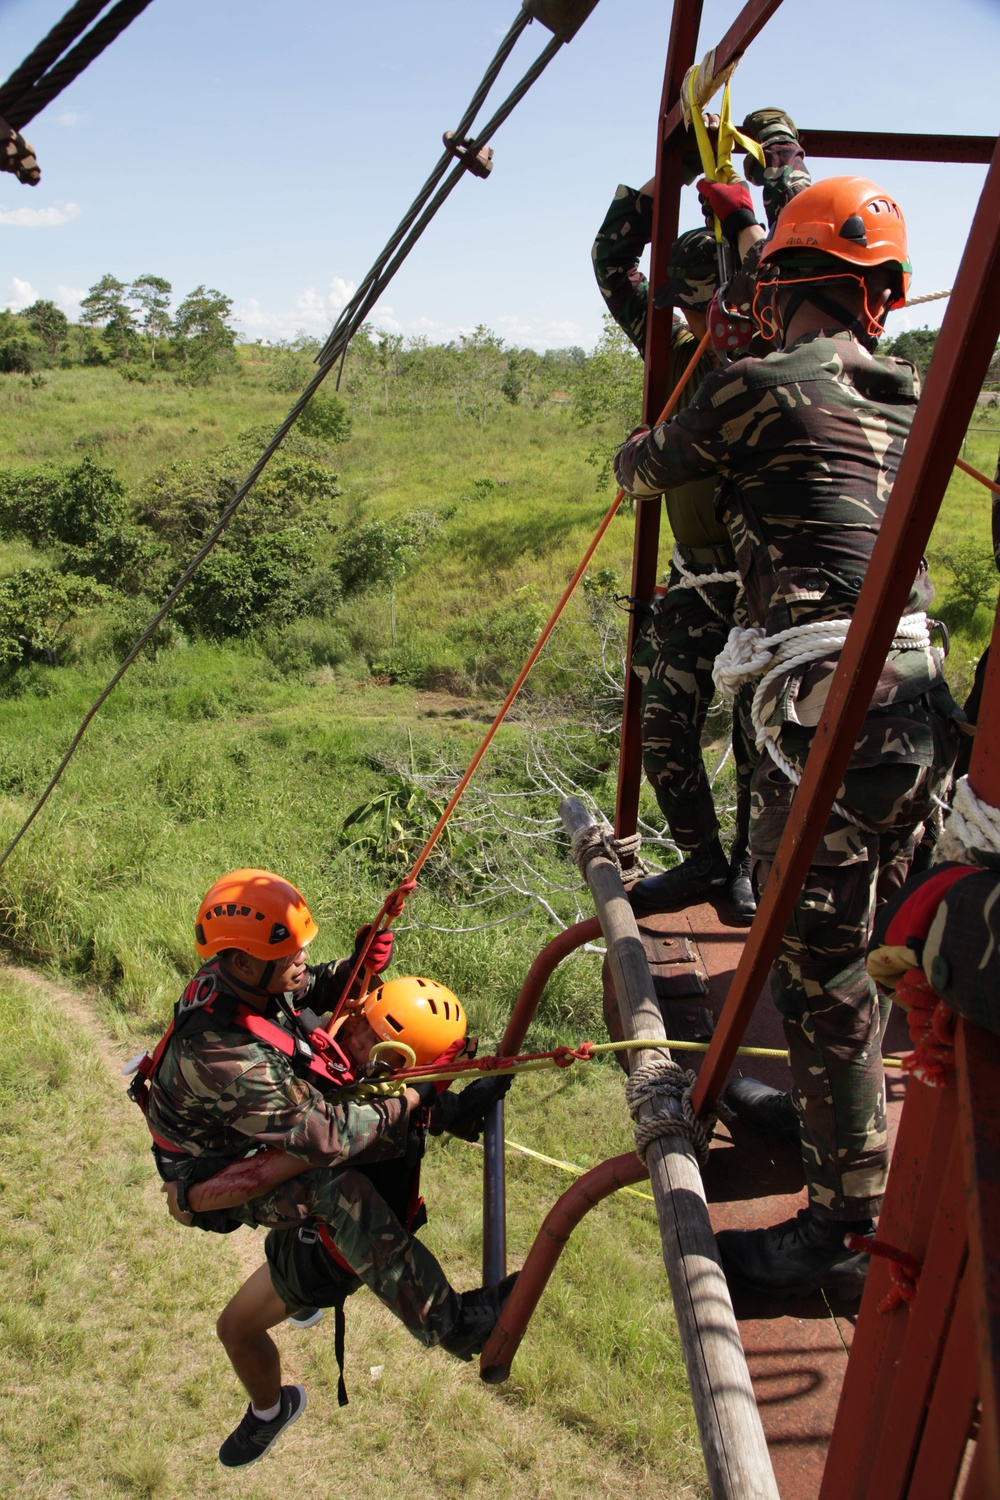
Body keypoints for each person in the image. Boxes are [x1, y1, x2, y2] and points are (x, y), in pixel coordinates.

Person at [614, 176, 963, 1298]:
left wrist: (714, 359)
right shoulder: (915, 391)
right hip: (917, 699)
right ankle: (845, 1139)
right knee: (874, 936)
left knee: (818, 971)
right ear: (883, 297)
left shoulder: (753, 386)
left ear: (780, 288)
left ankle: (842, 1232)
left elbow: (642, 466)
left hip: (828, 704)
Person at [132, 869, 513, 1466]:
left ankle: (445, 1120)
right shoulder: (226, 1057)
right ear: (242, 961)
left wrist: (350, 970)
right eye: (288, 953)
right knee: (338, 1184)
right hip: (219, 1177)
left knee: (347, 1069)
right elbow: (327, 1137)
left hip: (251, 1131)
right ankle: (454, 1324)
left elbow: (297, 1001)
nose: (301, 958)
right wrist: (420, 1094)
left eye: (301, 946)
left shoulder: (239, 978)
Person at [590, 110, 811, 922]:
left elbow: (793, 265)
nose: (690, 325)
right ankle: (703, 860)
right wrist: (668, 177)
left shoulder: (771, 357)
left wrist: (768, 177)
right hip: (697, 574)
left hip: (761, 577)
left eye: (698, 309)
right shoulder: (676, 358)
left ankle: (752, 868)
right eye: (680, 313)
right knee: (666, 720)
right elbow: (612, 260)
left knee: (756, 726)